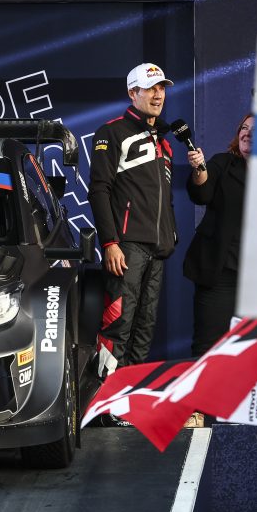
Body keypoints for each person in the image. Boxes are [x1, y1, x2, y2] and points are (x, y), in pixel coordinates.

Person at [88, 63, 178, 390]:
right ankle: (104, 401)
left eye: (161, 88)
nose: (158, 95)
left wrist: (170, 235)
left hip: (157, 250)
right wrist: (110, 242)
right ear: (133, 93)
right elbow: (99, 190)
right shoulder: (112, 132)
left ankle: (130, 399)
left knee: (144, 329)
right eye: (150, 88)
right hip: (126, 248)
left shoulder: (164, 142)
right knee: (118, 326)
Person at [182, 114, 251, 357]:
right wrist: (199, 168)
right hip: (220, 274)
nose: (247, 133)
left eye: (255, 129)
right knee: (208, 347)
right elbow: (202, 193)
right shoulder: (224, 163)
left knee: (251, 351)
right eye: (244, 128)